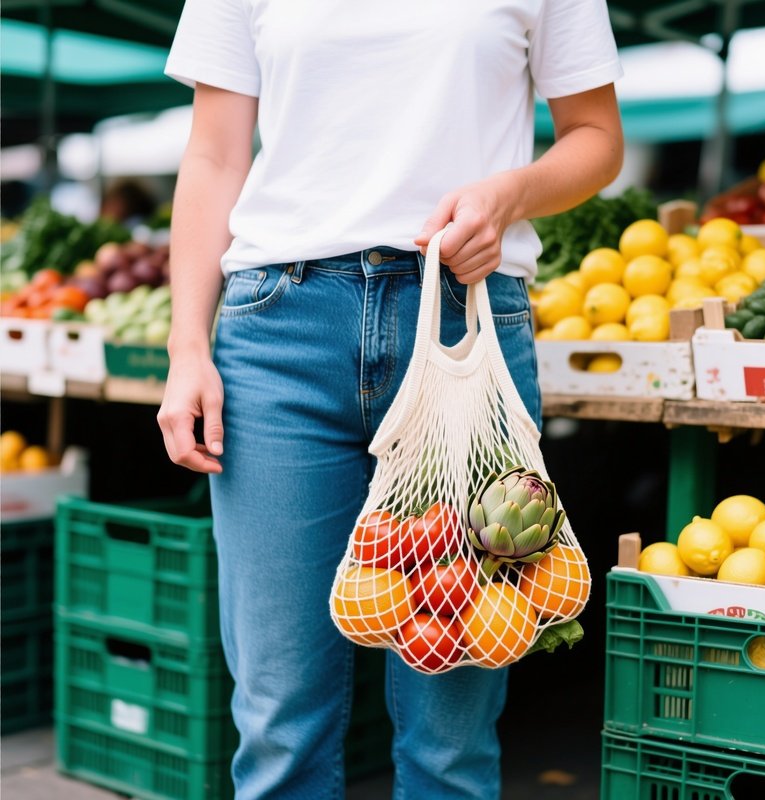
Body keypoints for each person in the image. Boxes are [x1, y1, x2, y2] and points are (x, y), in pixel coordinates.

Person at [159, 3, 623, 798]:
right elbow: (212, 155)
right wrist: (186, 345)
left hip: (466, 324)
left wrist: (510, 194)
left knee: (453, 736)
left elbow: (597, 137)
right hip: (281, 338)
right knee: (278, 724)